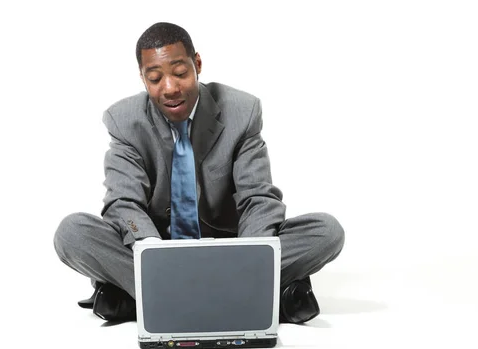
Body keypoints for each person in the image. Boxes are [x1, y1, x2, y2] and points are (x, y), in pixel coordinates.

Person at [54, 22, 345, 323]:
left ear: (197, 64)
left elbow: (258, 198)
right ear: (142, 78)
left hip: (229, 252)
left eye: (180, 73)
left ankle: (143, 299)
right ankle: (254, 297)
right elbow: (124, 204)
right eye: (155, 78)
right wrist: (152, 255)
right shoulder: (124, 121)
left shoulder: (241, 112)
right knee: (72, 234)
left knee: (326, 232)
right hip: (156, 253)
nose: (170, 88)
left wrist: (249, 256)